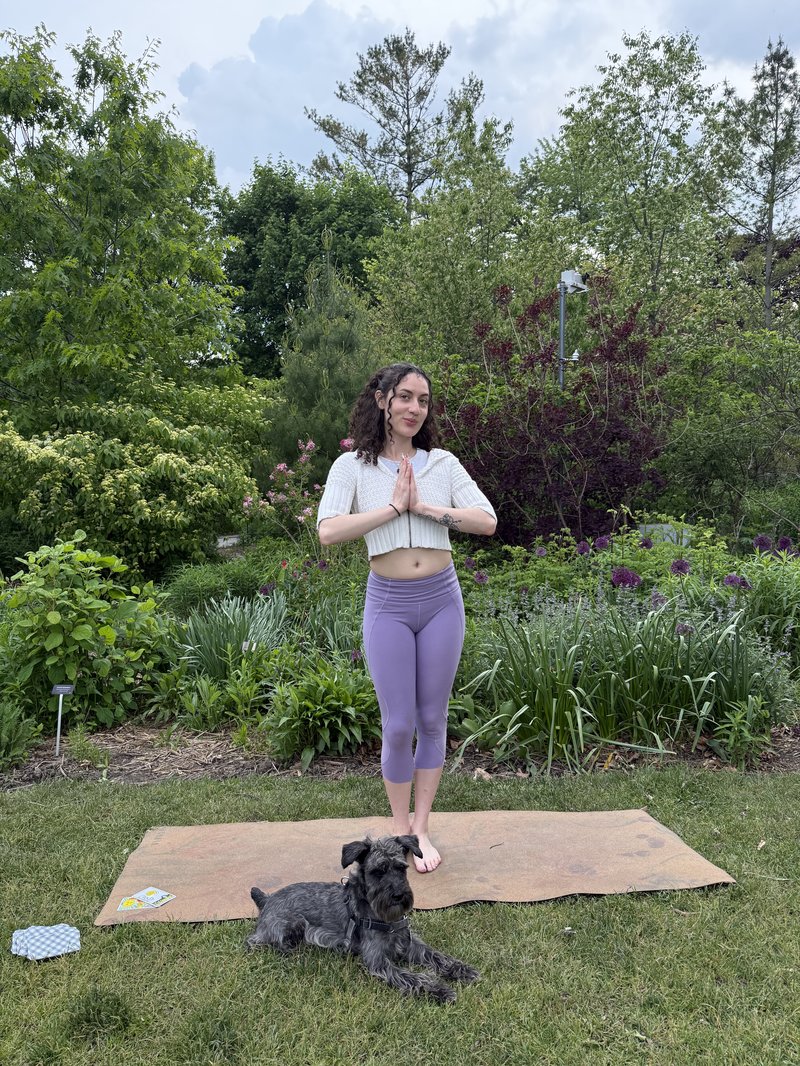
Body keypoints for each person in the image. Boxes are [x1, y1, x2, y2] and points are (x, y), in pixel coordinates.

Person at [317, 363, 496, 873]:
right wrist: (394, 511)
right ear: (382, 401)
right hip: (389, 604)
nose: (414, 408)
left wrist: (425, 507)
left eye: (423, 400)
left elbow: (485, 520)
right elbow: (328, 531)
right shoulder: (351, 467)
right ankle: (399, 833)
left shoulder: (441, 463)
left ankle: (421, 828)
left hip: (442, 599)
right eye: (405, 397)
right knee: (397, 726)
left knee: (432, 719)